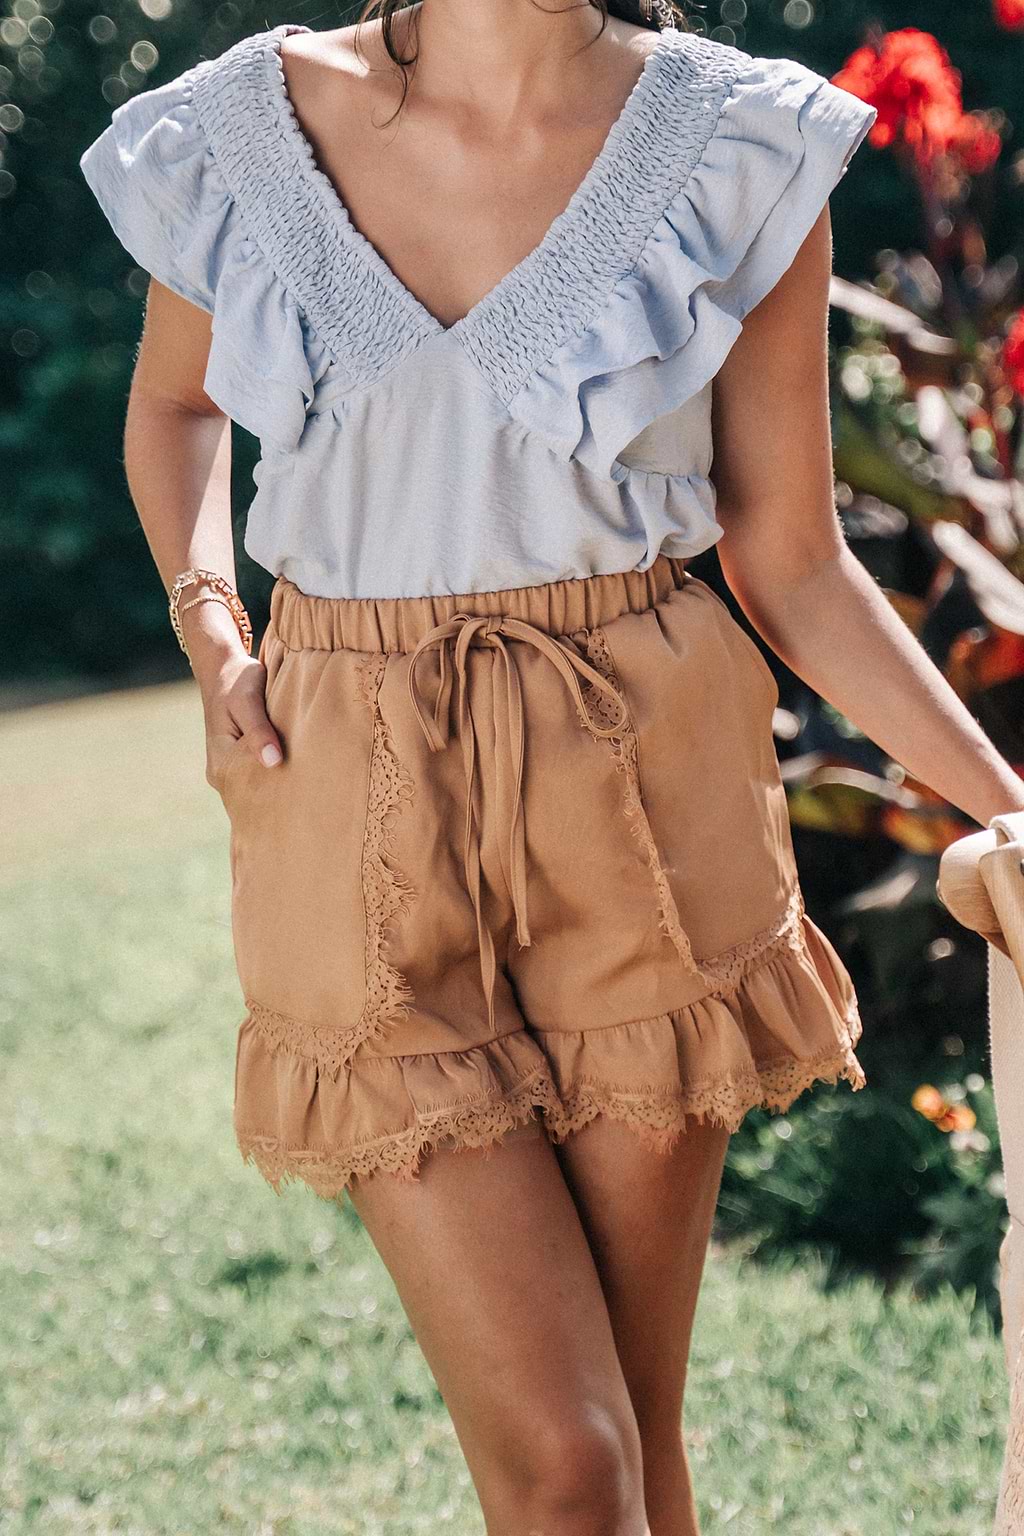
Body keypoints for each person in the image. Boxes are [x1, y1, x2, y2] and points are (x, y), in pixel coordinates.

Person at [78, 3, 1024, 1531]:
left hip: (641, 793)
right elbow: (176, 406)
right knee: (569, 1464)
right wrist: (211, 628)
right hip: (352, 798)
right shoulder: (244, 129)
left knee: (633, 1447)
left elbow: (790, 559)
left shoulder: (738, 142)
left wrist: (1010, 802)